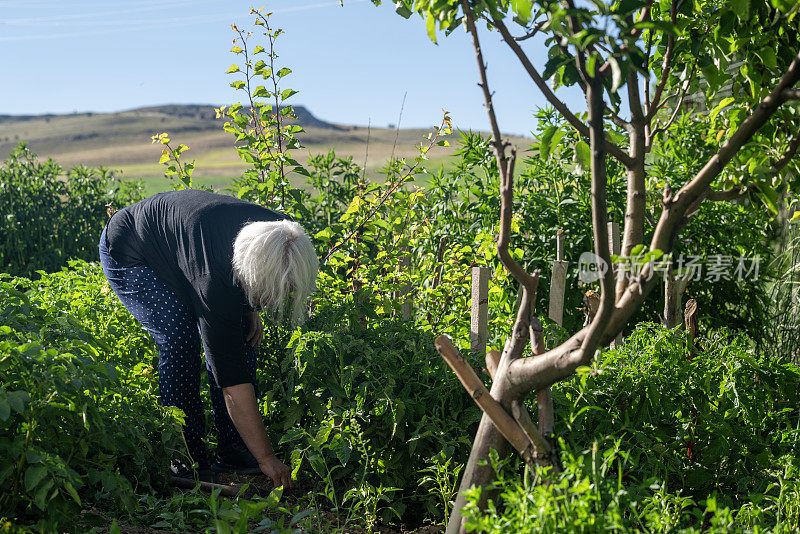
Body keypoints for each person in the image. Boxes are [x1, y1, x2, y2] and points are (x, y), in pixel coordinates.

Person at [98, 189, 319, 488]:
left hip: (191, 247)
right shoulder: (216, 280)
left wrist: (250, 306)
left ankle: (235, 451)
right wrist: (267, 457)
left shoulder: (283, 235)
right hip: (134, 250)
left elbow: (257, 284)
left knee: (241, 333)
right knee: (179, 341)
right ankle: (186, 458)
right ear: (250, 273)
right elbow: (232, 381)